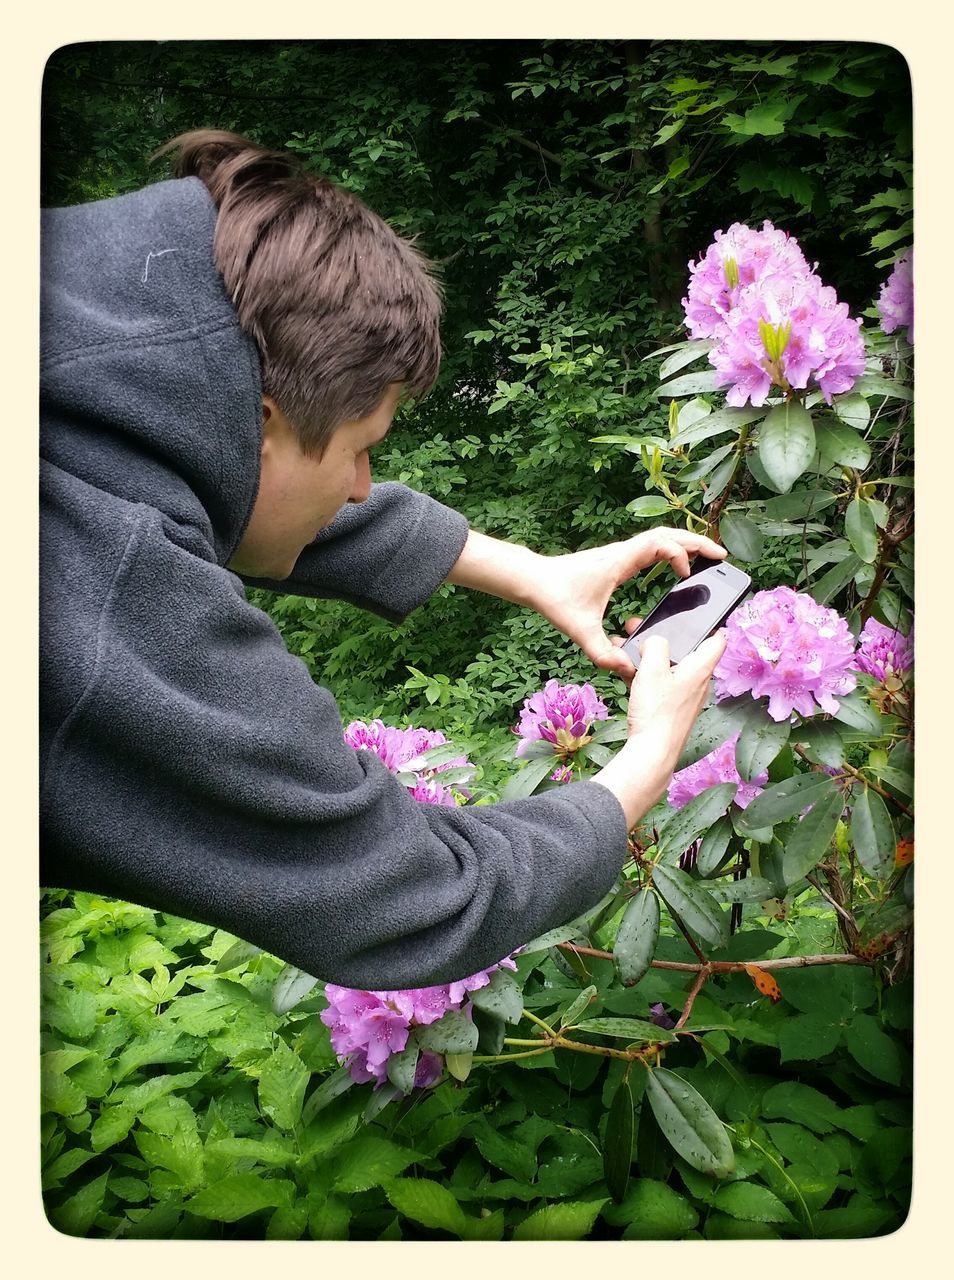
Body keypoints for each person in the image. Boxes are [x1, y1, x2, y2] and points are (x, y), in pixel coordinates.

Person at [40, 129, 726, 990]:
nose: (366, 487)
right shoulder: (97, 598)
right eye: (362, 449)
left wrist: (535, 572)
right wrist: (649, 756)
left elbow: (222, 480)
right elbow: (415, 898)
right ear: (257, 421)